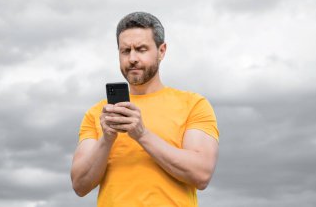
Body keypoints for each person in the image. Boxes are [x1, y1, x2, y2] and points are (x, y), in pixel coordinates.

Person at [71, 11, 219, 207]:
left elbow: (201, 174)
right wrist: (106, 139)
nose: (132, 58)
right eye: (125, 51)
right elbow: (80, 185)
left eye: (141, 49)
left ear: (162, 50)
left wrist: (141, 134)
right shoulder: (97, 114)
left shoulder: (193, 104)